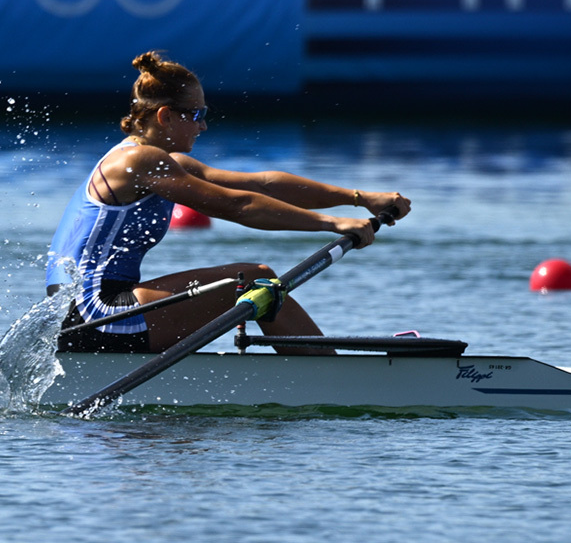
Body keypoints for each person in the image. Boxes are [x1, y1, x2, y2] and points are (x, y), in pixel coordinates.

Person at [46, 51, 411, 355]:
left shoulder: (162, 163)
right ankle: (328, 378)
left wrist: (359, 198)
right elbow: (238, 206)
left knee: (255, 282)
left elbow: (261, 185)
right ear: (165, 116)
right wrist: (333, 224)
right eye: (197, 115)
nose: (203, 126)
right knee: (253, 280)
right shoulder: (137, 161)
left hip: (90, 313)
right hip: (95, 314)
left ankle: (320, 369)